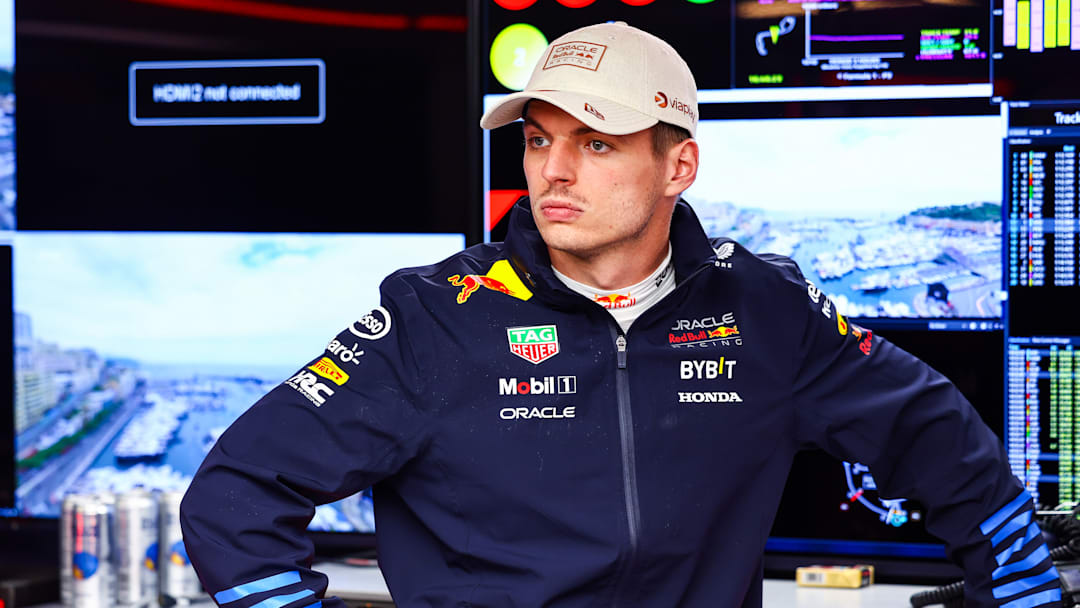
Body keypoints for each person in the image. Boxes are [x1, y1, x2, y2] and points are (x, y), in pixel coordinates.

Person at [181, 21, 1062, 608]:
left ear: (678, 167)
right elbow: (232, 499)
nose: (553, 172)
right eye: (538, 139)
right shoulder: (434, 317)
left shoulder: (766, 310)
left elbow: (934, 436)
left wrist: (1021, 588)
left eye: (595, 143)